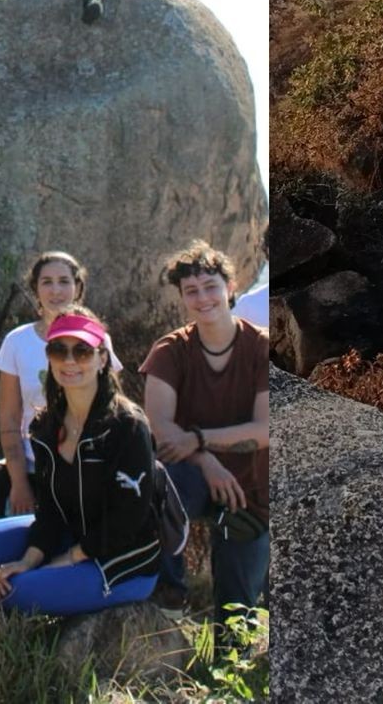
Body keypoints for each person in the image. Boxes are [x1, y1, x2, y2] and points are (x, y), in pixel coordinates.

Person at [0, 307, 161, 684]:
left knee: (14, 592)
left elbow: (126, 522)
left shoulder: (127, 427)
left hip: (122, 560)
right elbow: (50, 510)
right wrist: (32, 556)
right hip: (70, 533)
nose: (70, 361)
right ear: (48, 358)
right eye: (59, 351)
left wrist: (62, 562)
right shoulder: (46, 424)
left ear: (103, 359)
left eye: (82, 352)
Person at [0, 252, 126, 553]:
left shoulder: (96, 340)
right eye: (47, 282)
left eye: (64, 282)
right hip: (28, 462)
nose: (56, 291)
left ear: (78, 287)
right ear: (35, 289)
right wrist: (19, 481)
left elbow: (113, 406)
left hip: (79, 468)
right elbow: (10, 419)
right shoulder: (18, 341)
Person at [141, 241, 269, 626]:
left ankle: (227, 670)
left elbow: (265, 429)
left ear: (230, 287)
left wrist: (196, 439)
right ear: (182, 297)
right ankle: (169, 600)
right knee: (154, 488)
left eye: (210, 286)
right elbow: (160, 428)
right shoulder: (170, 351)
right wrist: (205, 458)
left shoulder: (261, 347)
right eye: (191, 291)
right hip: (192, 476)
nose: (203, 298)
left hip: (250, 491)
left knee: (236, 619)